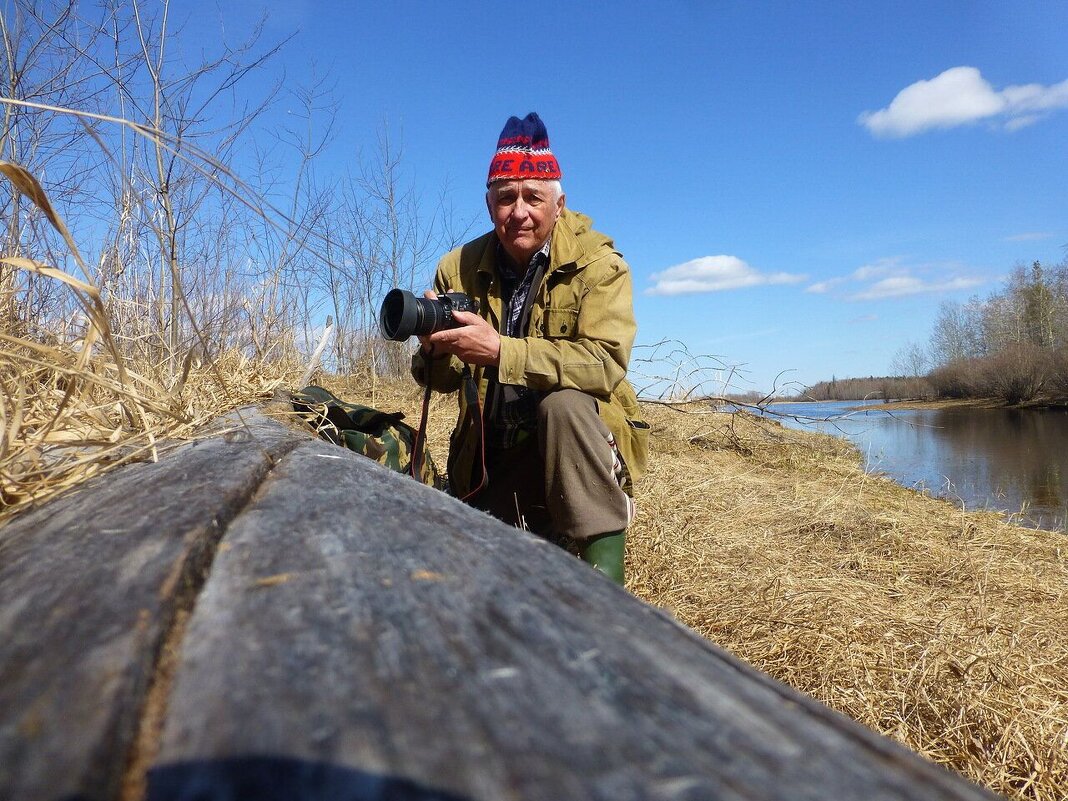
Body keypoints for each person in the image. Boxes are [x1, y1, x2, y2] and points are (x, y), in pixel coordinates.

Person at [411, 112, 649, 584]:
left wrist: (501, 350)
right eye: (505, 198)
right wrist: (434, 350)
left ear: (559, 204)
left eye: (533, 197)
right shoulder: (456, 268)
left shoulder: (600, 265)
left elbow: (604, 366)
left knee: (564, 405)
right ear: (488, 204)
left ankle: (607, 582)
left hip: (575, 444)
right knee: (478, 566)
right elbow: (438, 383)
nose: (519, 211)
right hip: (491, 455)